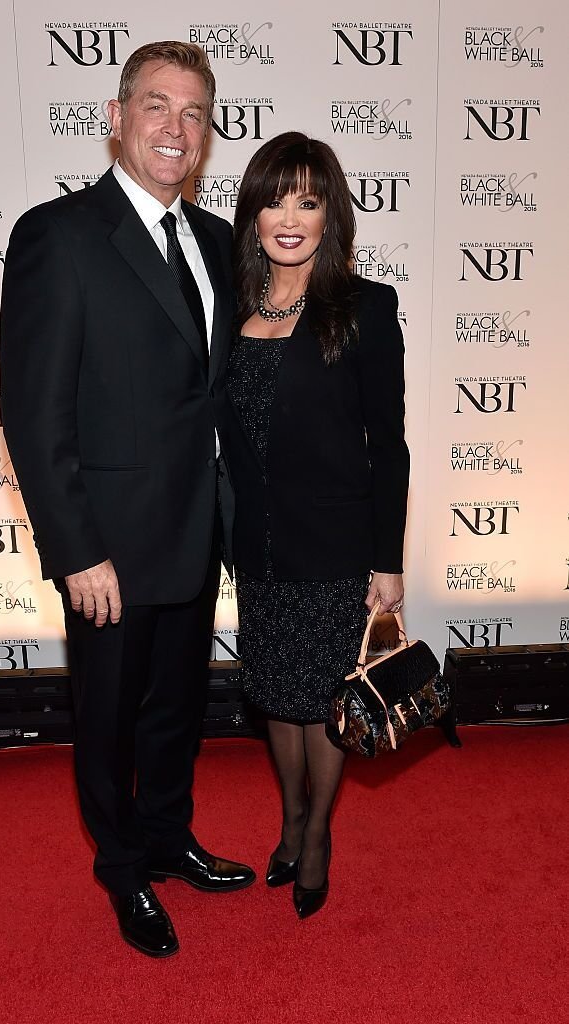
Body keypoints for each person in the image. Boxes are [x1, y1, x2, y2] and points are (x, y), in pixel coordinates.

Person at [0, 41, 254, 959]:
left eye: (194, 113)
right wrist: (74, 548)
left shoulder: (222, 242)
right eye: (157, 106)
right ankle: (122, 870)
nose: (175, 129)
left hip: (197, 530)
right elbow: (33, 414)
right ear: (116, 116)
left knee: (177, 709)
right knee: (108, 720)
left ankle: (168, 835)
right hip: (106, 545)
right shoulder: (57, 235)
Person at [215, 132, 409, 919]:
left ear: (332, 213)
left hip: (336, 545)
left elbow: (387, 444)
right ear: (252, 213)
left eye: (308, 198)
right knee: (278, 695)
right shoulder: (231, 307)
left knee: (325, 699)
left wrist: (387, 561)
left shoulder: (364, 307)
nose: (288, 216)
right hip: (257, 543)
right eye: (273, 198)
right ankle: (290, 816)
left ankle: (317, 831)